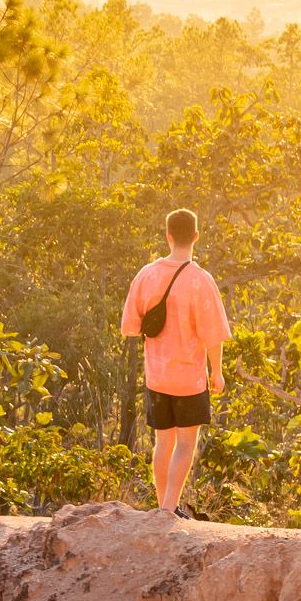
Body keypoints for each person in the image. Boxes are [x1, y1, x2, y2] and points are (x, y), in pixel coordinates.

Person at [119, 208, 232, 518]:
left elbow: (130, 326)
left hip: (157, 376)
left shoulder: (147, 274)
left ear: (168, 236)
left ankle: (162, 505)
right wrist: (217, 373)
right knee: (185, 444)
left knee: (162, 441)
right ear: (196, 236)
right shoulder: (200, 280)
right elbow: (213, 336)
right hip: (189, 379)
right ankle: (170, 508)